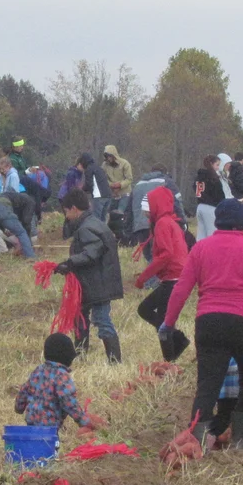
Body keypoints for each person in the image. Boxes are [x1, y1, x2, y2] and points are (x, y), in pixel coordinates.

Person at [160, 198, 243, 450]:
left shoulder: (201, 248)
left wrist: (168, 323)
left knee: (207, 384)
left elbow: (181, 289)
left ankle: (198, 443)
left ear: (217, 221)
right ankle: (239, 439)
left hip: (209, 322)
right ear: (242, 223)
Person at [55, 190, 124, 363]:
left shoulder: (86, 228)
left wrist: (69, 263)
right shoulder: (93, 223)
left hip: (98, 285)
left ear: (73, 209)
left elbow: (91, 253)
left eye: (66, 211)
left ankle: (115, 361)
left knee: (101, 320)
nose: (66, 216)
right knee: (80, 318)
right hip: (92, 282)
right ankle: (80, 355)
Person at [134, 184, 191, 361]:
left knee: (157, 317)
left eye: (147, 209)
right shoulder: (169, 222)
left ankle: (171, 358)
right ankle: (176, 344)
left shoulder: (162, 224)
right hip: (176, 277)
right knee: (153, 313)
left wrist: (144, 277)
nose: (145, 213)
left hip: (173, 279)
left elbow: (165, 255)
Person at [14, 333, 99, 430]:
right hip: (49, 427)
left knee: (35, 443)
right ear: (67, 357)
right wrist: (84, 421)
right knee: (49, 444)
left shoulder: (38, 370)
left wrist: (19, 408)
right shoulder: (61, 376)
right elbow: (69, 402)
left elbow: (24, 390)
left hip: (31, 423)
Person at [0, 181, 37, 257]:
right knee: (21, 232)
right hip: (1, 207)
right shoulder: (29, 201)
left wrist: (4, 229)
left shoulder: (10, 196)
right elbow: (26, 221)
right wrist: (28, 241)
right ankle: (31, 256)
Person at [194, 154, 226, 240]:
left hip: (200, 206)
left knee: (201, 234)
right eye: (217, 165)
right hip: (210, 208)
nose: (218, 168)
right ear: (211, 164)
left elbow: (197, 191)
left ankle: (199, 252)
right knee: (212, 234)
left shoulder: (199, 177)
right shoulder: (213, 178)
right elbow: (219, 195)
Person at [75, 152, 111, 223]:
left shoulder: (89, 169)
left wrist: (81, 190)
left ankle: (95, 233)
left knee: (96, 220)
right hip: (108, 195)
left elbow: (89, 184)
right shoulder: (98, 168)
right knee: (103, 220)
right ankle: (103, 233)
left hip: (99, 196)